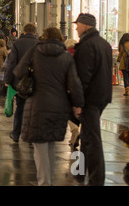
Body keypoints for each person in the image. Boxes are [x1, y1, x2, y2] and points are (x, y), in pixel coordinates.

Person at [13, 27, 84, 186]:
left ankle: (44, 182)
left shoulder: (34, 51)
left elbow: (18, 72)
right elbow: (74, 83)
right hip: (59, 106)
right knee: (51, 143)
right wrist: (78, 104)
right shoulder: (66, 56)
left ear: (44, 36)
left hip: (37, 104)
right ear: (60, 38)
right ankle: (48, 179)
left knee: (39, 145)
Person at [73, 13, 112, 186]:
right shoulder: (103, 44)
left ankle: (97, 179)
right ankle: (79, 172)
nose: (76, 28)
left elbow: (83, 77)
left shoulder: (86, 46)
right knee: (87, 135)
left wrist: (78, 103)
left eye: (78, 25)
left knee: (92, 139)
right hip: (102, 96)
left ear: (86, 26)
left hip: (90, 99)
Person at [5, 23, 38, 142]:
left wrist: (8, 80)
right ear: (35, 32)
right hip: (35, 81)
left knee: (20, 107)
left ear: (24, 32)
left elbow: (11, 63)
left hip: (20, 81)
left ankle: (16, 133)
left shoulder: (18, 43)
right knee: (33, 109)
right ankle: (30, 133)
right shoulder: (38, 44)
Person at [65, 38, 80, 149]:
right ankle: (76, 134)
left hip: (69, 87)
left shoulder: (65, 55)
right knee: (78, 109)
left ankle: (74, 130)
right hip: (80, 87)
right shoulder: (81, 54)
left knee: (69, 111)